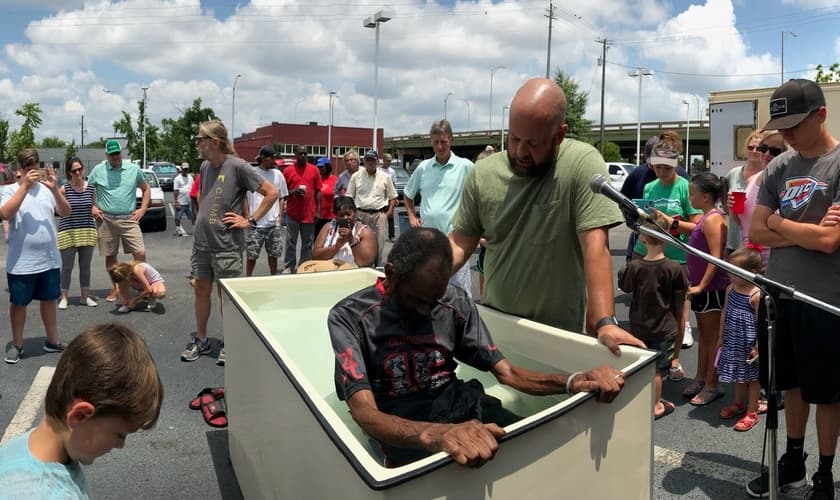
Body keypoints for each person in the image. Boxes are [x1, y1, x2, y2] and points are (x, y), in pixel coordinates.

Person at [328, 227, 626, 467]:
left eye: (433, 301)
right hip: (403, 428)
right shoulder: (350, 317)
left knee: (539, 453)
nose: (425, 310)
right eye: (417, 299)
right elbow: (364, 413)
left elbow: (508, 373)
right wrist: (435, 435)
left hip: (462, 407)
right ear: (391, 274)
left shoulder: (453, 302)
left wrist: (574, 381)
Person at [448, 78, 643, 355]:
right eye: (514, 138)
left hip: (559, 335)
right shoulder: (483, 174)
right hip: (497, 329)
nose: (520, 151)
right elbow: (459, 242)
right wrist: (418, 278)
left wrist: (604, 322)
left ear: (560, 134)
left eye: (533, 143)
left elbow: (595, 246)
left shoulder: (580, 164)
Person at [746, 78, 840, 499]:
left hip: (826, 300)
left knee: (828, 392)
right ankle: (793, 459)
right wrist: (798, 230)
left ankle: (824, 472)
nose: (784, 136)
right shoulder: (779, 167)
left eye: (793, 125)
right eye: (779, 126)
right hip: (780, 295)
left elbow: (830, 242)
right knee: (792, 385)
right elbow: (755, 231)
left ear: (821, 114)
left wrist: (780, 222)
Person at [0, 323, 163, 498]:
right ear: (80, 416)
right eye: (120, 434)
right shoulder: (45, 494)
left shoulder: (23, 446)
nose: (121, 445)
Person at [184, 120, 279, 364]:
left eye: (200, 138)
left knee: (226, 298)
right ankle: (202, 339)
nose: (197, 143)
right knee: (201, 291)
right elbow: (207, 200)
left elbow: (272, 193)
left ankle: (231, 342)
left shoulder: (237, 166)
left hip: (227, 246)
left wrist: (251, 220)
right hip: (202, 244)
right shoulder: (205, 166)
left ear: (214, 142)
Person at [634, 132, 701, 380]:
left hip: (677, 258)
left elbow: (697, 226)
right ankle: (647, 357)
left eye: (666, 166)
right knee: (647, 308)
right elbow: (645, 218)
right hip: (647, 254)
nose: (661, 171)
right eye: (657, 165)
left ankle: (674, 360)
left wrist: (670, 222)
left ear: (676, 164)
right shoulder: (650, 185)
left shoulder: (685, 187)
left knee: (676, 313)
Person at [657, 172, 729, 405]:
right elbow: (695, 232)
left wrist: (701, 286)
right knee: (705, 338)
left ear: (705, 197)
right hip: (702, 288)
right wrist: (672, 223)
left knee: (711, 338)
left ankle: (712, 384)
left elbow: (716, 257)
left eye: (692, 194)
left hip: (712, 289)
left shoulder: (713, 219)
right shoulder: (707, 218)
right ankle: (701, 377)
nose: (690, 198)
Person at [2, 149, 71, 365]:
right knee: (19, 303)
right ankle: (17, 344)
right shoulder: (9, 190)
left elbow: (66, 211)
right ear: (20, 169)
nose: (34, 172)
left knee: (50, 300)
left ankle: (52, 341)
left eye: (36, 167)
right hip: (22, 262)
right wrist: (24, 186)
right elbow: (5, 213)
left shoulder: (47, 190)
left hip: (49, 258)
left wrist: (55, 189)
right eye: (29, 168)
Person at [618, 231, 687, 420]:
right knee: (657, 370)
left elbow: (624, 287)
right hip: (664, 326)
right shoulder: (674, 268)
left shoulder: (634, 267)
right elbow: (680, 297)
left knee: (640, 366)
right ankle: (656, 405)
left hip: (639, 325)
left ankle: (641, 401)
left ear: (642, 239)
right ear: (666, 239)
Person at [404, 119, 474, 297]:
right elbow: (408, 194)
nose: (440, 146)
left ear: (451, 140)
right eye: (436, 142)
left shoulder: (465, 166)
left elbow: (478, 196)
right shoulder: (423, 167)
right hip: (428, 243)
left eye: (444, 141)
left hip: (456, 242)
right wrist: (412, 216)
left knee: (460, 295)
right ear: (431, 142)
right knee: (430, 293)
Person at [88, 139, 150, 302]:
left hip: (129, 218)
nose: (115, 157)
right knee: (111, 255)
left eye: (117, 153)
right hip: (106, 219)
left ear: (121, 153)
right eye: (112, 154)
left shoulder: (133, 169)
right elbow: (88, 189)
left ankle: (135, 282)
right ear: (107, 155)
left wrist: (142, 209)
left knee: (140, 253)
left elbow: (146, 189)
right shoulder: (98, 170)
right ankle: (116, 288)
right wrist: (92, 206)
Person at [716, 246, 763, 432]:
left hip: (749, 342)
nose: (730, 276)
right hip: (733, 339)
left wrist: (758, 347)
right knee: (738, 373)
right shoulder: (730, 288)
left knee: (752, 378)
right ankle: (738, 402)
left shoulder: (756, 294)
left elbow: (761, 323)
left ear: (751, 272)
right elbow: (724, 312)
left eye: (735, 272)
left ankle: (752, 410)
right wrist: (721, 336)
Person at [730, 131, 788, 268]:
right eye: (763, 148)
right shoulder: (752, 179)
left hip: (774, 263)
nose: (767, 154)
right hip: (749, 260)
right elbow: (743, 224)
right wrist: (733, 208)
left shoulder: (785, 183)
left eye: (774, 151)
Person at [57, 157, 98, 310]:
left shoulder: (91, 188)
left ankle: (84, 297)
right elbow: (59, 211)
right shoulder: (64, 189)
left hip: (87, 230)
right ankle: (64, 297)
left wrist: (95, 209)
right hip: (68, 231)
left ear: (83, 169)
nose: (78, 172)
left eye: (80, 169)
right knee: (67, 267)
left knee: (85, 266)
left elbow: (93, 206)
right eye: (74, 170)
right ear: (69, 173)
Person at [346, 149, 397, 267]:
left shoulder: (385, 177)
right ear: (364, 161)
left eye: (372, 160)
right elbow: (349, 197)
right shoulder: (356, 176)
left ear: (377, 161)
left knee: (379, 247)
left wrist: (388, 213)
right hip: (360, 214)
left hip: (379, 215)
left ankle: (378, 271)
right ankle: (362, 271)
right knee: (360, 244)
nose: (370, 162)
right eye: (368, 160)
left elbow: (393, 197)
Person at [245, 146, 289, 277]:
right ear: (263, 158)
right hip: (255, 223)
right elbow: (244, 197)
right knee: (252, 254)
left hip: (273, 223)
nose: (274, 160)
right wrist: (247, 216)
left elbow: (281, 197)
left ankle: (273, 276)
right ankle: (248, 277)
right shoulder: (252, 173)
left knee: (273, 254)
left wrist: (280, 218)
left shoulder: (278, 175)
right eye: (272, 157)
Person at [283, 146, 321, 274]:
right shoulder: (288, 170)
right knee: (290, 242)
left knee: (307, 243)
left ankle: (304, 266)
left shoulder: (314, 170)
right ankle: (289, 266)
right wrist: (293, 192)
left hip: (309, 214)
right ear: (296, 155)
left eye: (305, 153)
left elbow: (318, 191)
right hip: (292, 213)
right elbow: (283, 193)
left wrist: (318, 210)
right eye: (300, 153)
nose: (303, 156)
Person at [311, 196, 376, 267]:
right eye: (341, 215)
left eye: (348, 214)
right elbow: (315, 256)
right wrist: (337, 246)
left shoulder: (365, 232)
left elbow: (366, 262)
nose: (345, 218)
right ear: (335, 215)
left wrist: (352, 241)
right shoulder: (328, 228)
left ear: (355, 212)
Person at [314, 156, 338, 237]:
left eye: (322, 167)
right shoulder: (316, 180)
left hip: (331, 217)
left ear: (328, 166)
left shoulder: (335, 180)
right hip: (318, 217)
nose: (320, 169)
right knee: (317, 240)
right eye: (318, 167)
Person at [173, 163, 194, 237]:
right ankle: (178, 229)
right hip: (180, 201)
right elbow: (175, 191)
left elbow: (193, 188)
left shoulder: (190, 178)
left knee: (193, 216)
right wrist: (176, 201)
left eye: (186, 169)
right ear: (181, 169)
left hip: (189, 201)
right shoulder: (177, 178)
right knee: (178, 217)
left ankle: (195, 229)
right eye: (184, 169)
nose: (185, 170)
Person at [380, 153, 398, 241]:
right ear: (384, 160)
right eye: (387, 160)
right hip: (381, 196)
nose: (389, 162)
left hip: (389, 196)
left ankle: (392, 235)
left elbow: (394, 184)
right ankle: (381, 234)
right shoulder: (379, 170)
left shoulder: (392, 171)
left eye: (390, 161)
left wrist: (395, 197)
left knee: (390, 216)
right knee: (381, 216)